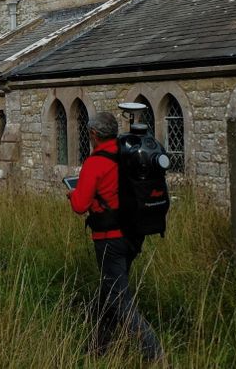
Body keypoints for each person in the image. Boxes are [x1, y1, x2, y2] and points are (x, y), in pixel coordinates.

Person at [68, 111, 163, 362]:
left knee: (118, 299)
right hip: (133, 235)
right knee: (109, 292)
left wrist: (72, 194)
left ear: (93, 134)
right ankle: (98, 348)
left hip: (109, 238)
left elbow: (80, 205)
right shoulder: (128, 155)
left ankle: (155, 355)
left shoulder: (95, 163)